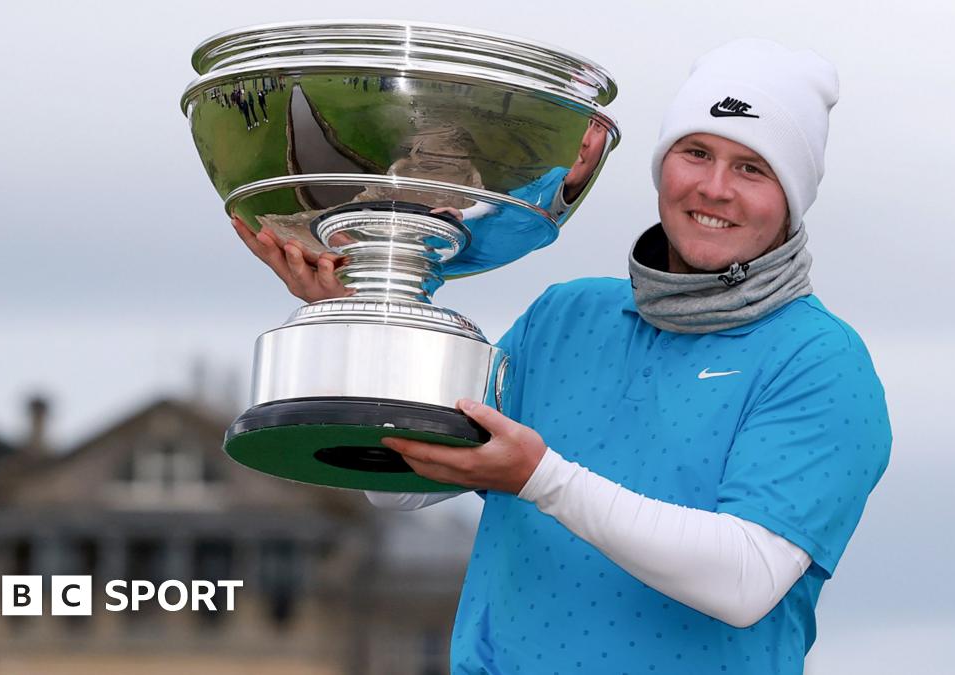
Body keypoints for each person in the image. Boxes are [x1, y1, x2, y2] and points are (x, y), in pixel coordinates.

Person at [232, 38, 891, 675]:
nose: (714, 187)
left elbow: (744, 579)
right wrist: (373, 314)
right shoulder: (565, 317)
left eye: (752, 167)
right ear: (664, 165)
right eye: (696, 152)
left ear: (793, 196)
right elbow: (396, 490)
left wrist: (541, 477)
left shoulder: (821, 361)